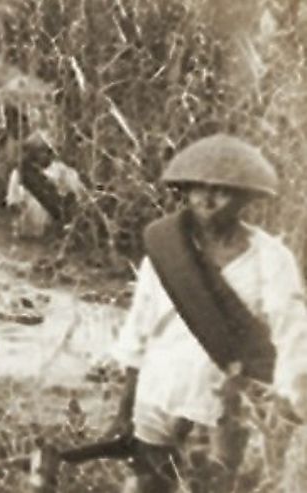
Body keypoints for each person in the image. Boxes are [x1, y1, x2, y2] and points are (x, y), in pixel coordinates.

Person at [106, 134, 307, 492]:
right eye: (197, 188)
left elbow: (291, 333)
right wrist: (125, 409)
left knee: (215, 483)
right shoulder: (167, 250)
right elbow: (139, 328)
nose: (207, 199)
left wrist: (291, 395)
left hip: (223, 400)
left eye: (222, 190)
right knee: (149, 483)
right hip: (160, 388)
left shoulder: (270, 259)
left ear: (246, 198)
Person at [4, 131, 85, 238]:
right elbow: (13, 202)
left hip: (53, 222)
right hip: (29, 223)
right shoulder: (21, 172)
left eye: (46, 151)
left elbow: (81, 192)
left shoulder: (61, 170)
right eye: (39, 151)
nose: (45, 155)